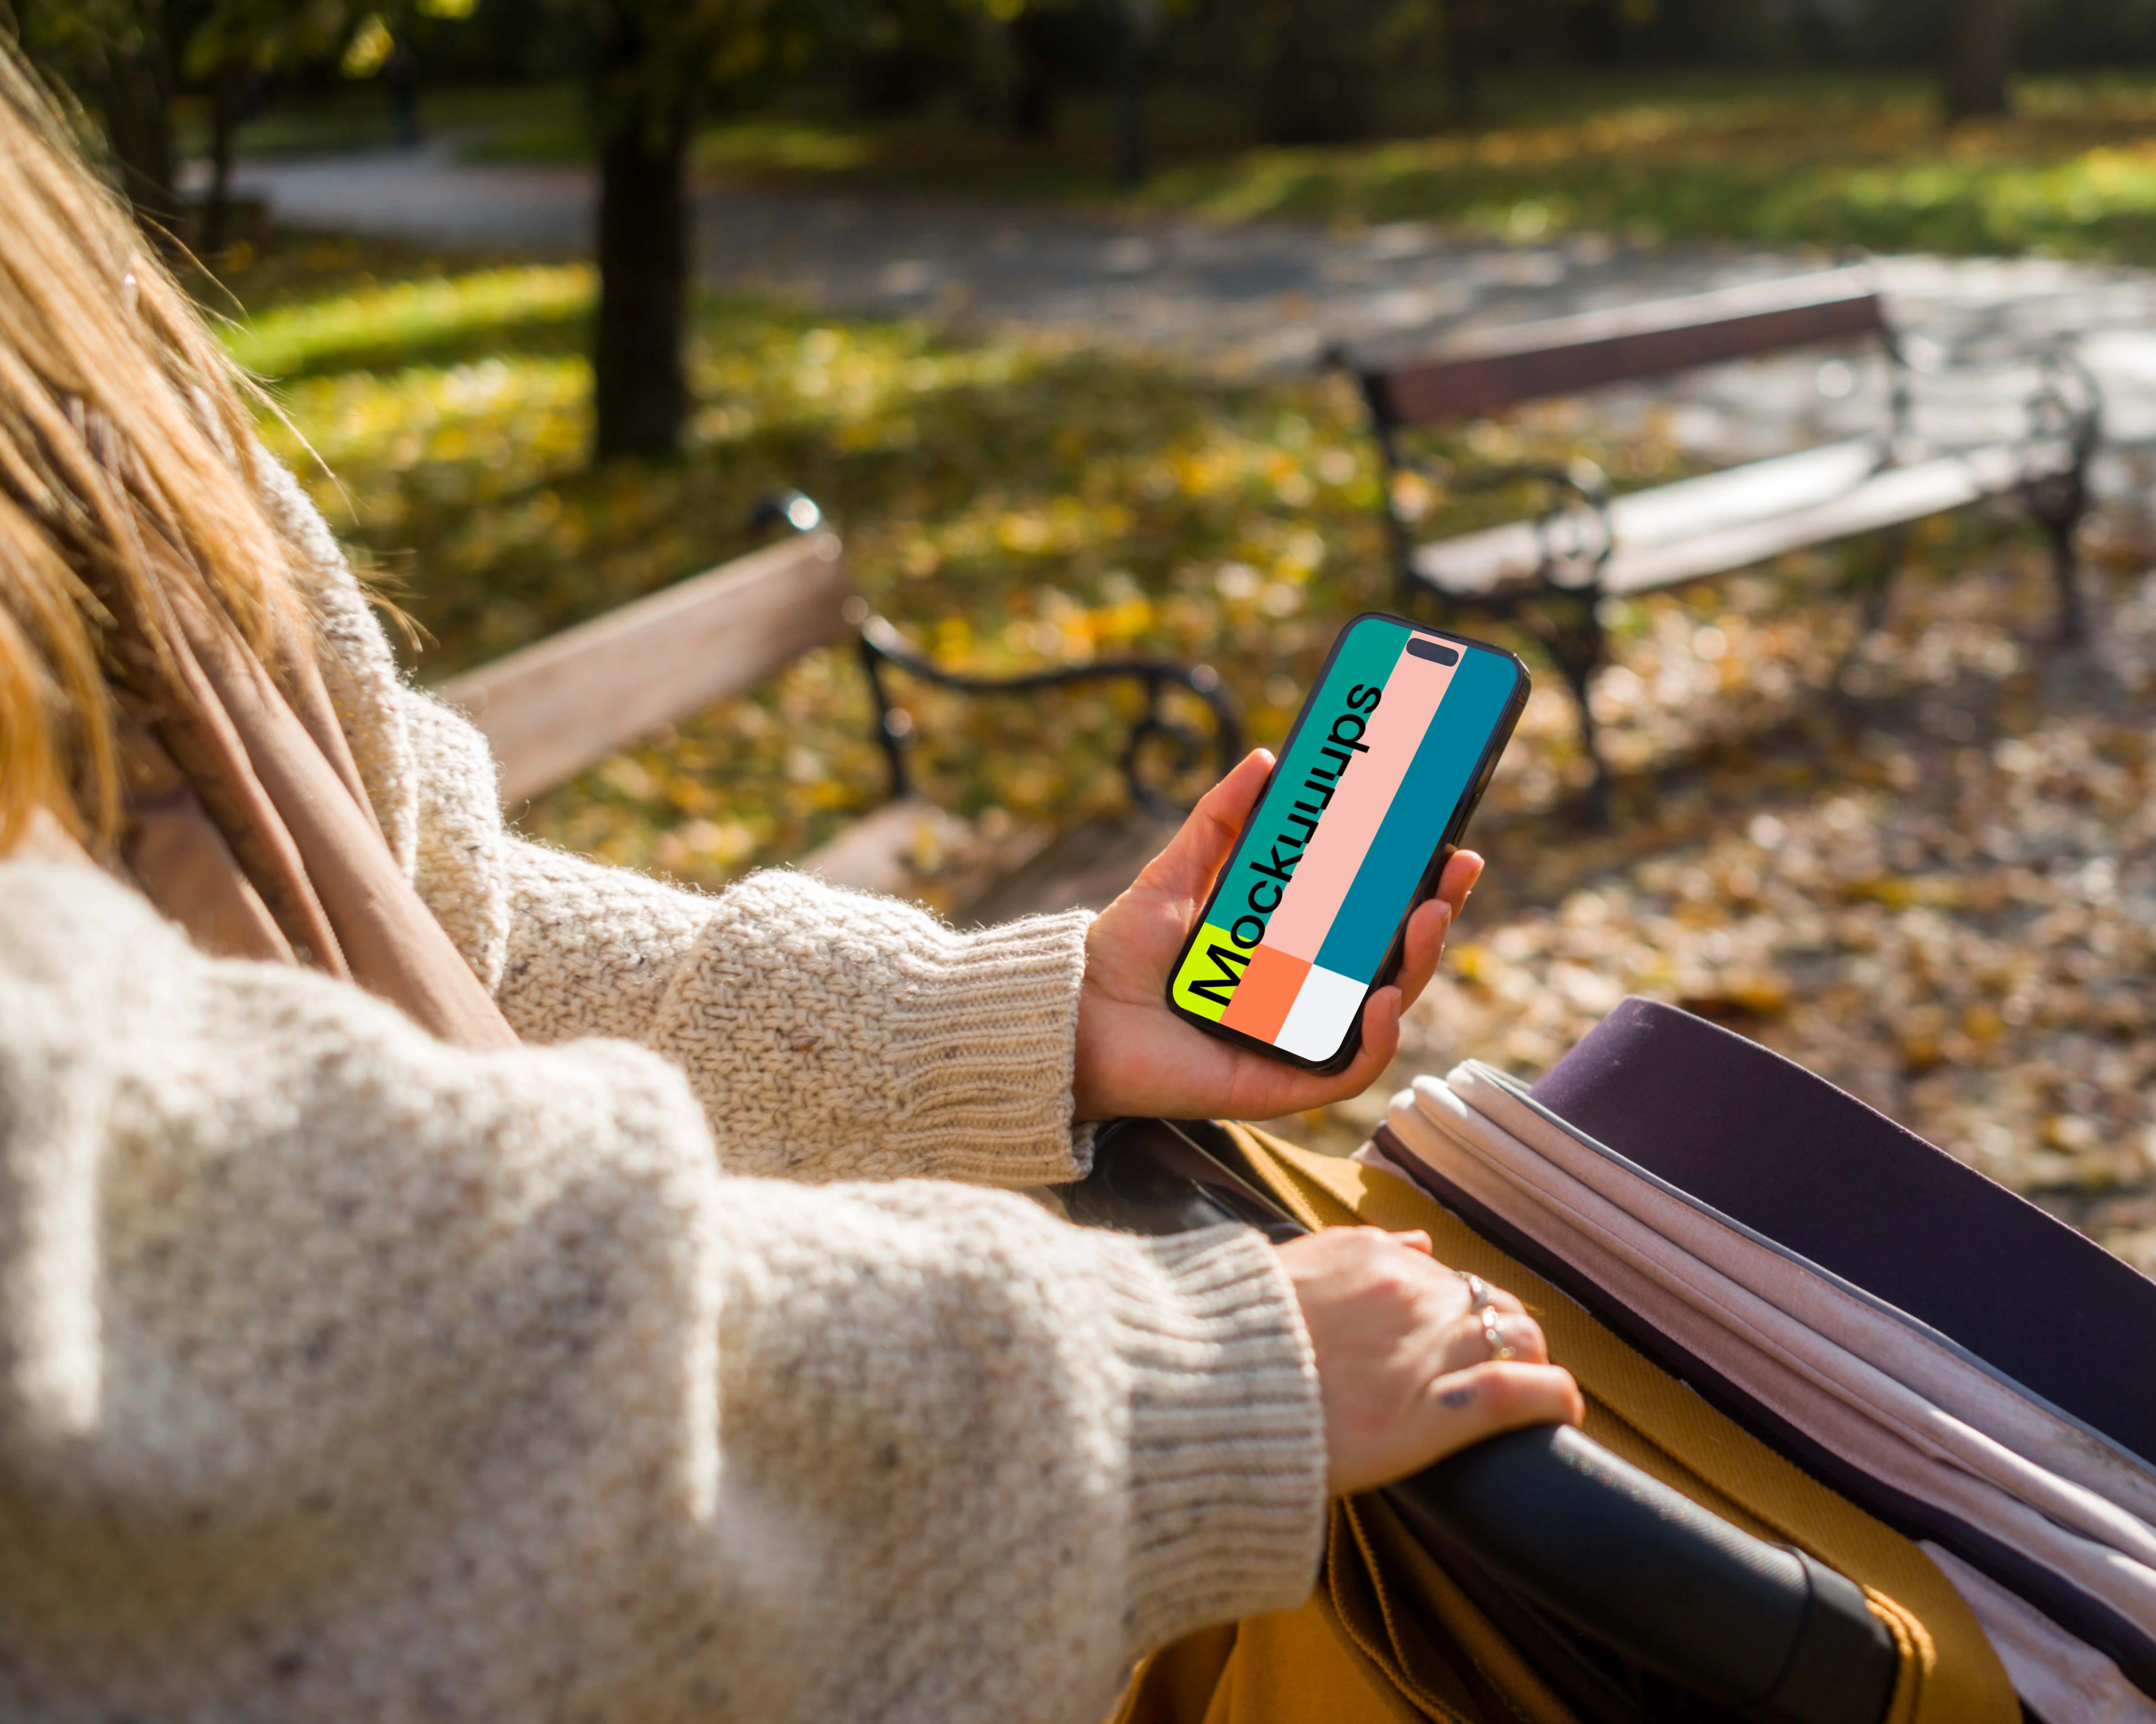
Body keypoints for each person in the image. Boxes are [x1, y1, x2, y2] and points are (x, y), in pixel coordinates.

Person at [0, 44, 1578, 1724]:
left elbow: (418, 921)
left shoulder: (52, 265)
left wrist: (997, 1026)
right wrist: (1174, 1384)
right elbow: (169, 1314)